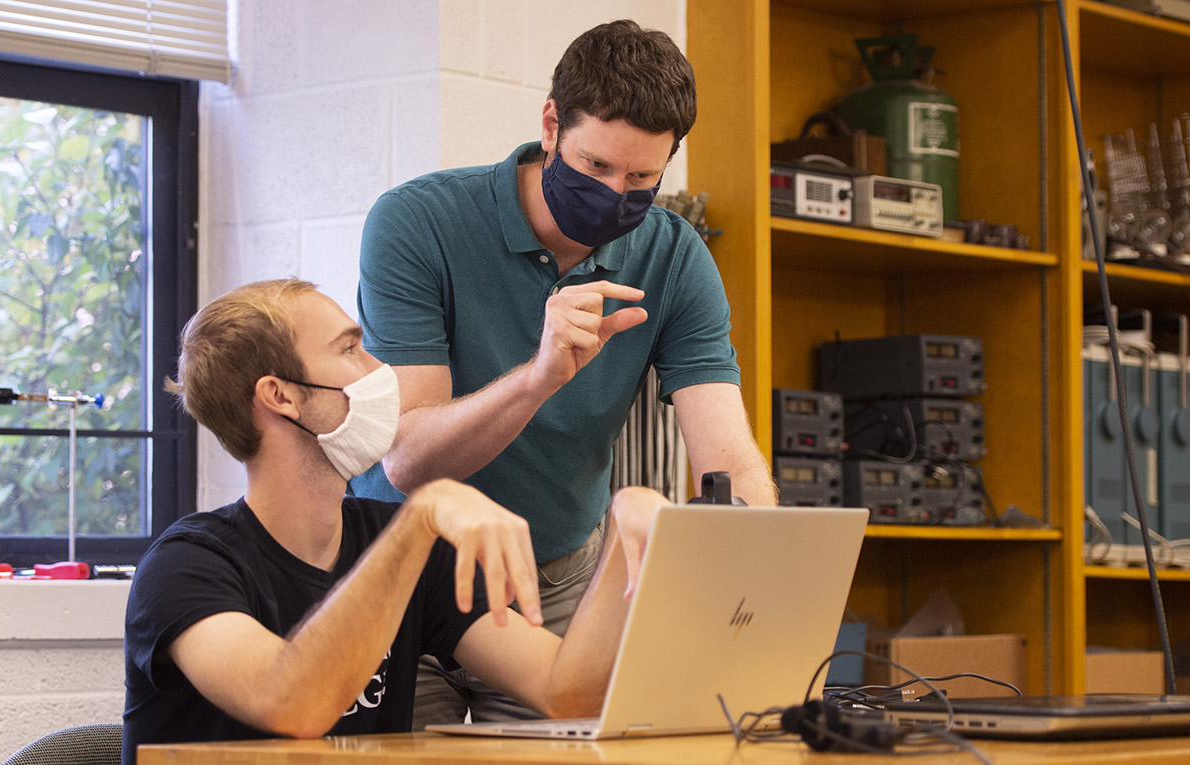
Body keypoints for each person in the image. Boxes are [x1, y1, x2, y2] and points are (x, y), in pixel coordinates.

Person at [352, 19, 776, 726]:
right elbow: (408, 458)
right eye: (596, 168)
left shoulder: (674, 255)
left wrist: (762, 599)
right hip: (405, 570)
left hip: (551, 584)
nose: (617, 195)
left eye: (643, 178)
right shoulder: (417, 223)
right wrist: (539, 374)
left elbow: (728, 459)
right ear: (551, 124)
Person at [121, 279, 665, 764]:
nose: (380, 370)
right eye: (351, 350)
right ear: (280, 394)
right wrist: (420, 519)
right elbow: (292, 704)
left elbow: (565, 691)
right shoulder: (185, 566)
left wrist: (626, 538)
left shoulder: (399, 540)